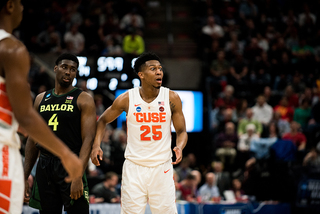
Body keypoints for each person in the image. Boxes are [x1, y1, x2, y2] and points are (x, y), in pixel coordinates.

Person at [0, 1, 82, 213]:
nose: (23, 8)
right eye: (20, 3)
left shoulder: (82, 98)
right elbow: (26, 116)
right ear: (10, 6)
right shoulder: (11, 48)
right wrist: (66, 155)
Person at [91, 52, 188, 213]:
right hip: (134, 168)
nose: (159, 72)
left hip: (162, 167)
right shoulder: (127, 98)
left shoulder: (171, 97)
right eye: (153, 69)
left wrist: (179, 146)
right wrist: (96, 146)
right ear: (141, 75)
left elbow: (181, 130)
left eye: (160, 68)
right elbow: (102, 120)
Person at [23, 53, 97, 213]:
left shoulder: (83, 99)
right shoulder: (41, 98)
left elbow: (88, 139)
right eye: (64, 67)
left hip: (71, 164)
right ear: (55, 68)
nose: (68, 72)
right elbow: (32, 139)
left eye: (73, 69)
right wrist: (24, 176)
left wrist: (78, 176)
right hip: (45, 165)